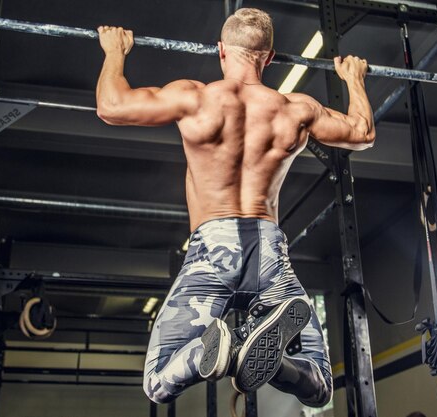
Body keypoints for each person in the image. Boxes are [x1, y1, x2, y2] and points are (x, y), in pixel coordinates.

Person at [96, 7, 375, 407]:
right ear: (271, 57)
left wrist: (114, 52)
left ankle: (209, 353)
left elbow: (111, 106)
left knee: (157, 382)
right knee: (319, 387)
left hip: (212, 253)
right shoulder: (295, 109)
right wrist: (354, 79)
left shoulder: (195, 98)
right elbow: (362, 132)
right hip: (269, 254)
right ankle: (274, 364)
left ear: (221, 50)